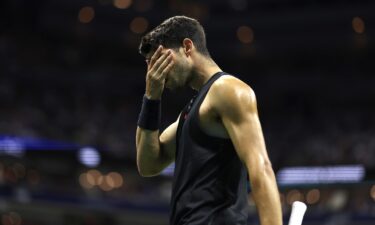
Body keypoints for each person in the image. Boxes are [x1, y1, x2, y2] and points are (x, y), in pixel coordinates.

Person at [135, 16, 282, 225]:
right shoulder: (191, 111)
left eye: (160, 60)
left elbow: (260, 168)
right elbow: (147, 164)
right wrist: (151, 97)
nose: (154, 73)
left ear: (187, 47)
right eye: (151, 65)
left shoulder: (228, 90)